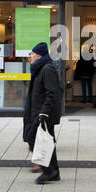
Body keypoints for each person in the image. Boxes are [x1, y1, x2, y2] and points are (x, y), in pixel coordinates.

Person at [23, 42, 62, 184]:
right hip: (38, 112)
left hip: (43, 114)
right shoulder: (40, 69)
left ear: (39, 56)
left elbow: (52, 93)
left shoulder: (47, 69)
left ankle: (49, 171)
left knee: (32, 139)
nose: (30, 57)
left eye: (32, 54)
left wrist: (44, 113)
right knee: (48, 141)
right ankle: (54, 172)